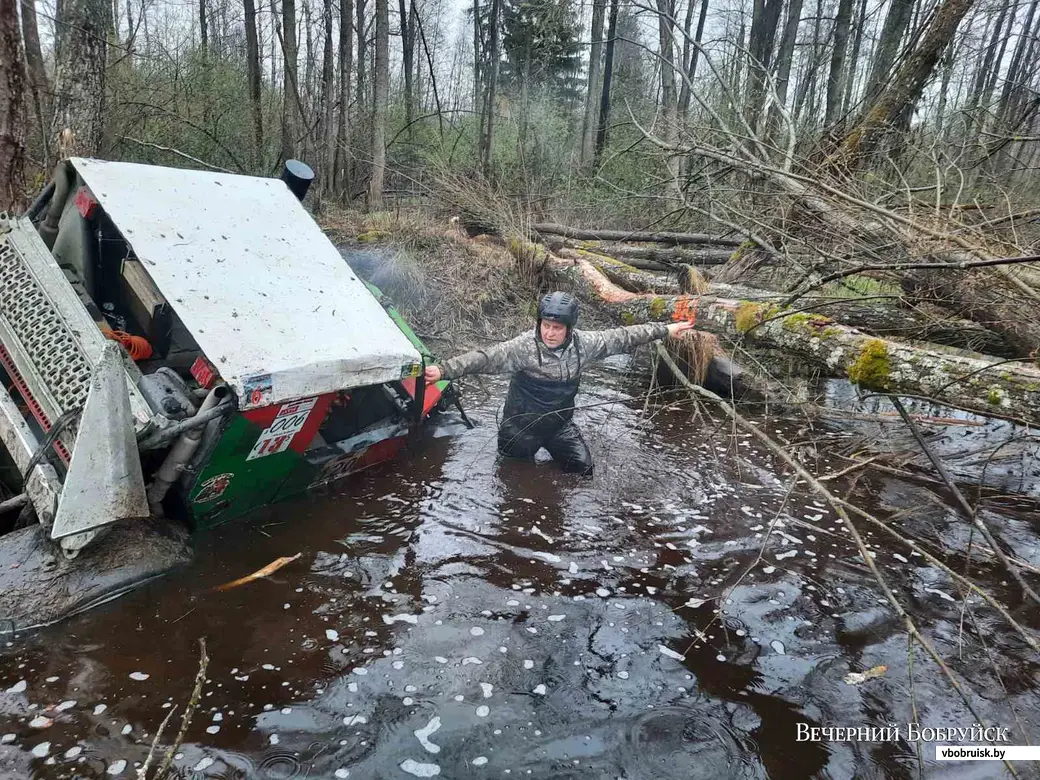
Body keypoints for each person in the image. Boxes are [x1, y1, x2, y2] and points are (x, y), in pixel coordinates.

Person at [424, 291, 697, 476]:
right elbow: (484, 358)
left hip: (559, 426)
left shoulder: (585, 345)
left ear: (569, 328)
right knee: (514, 480)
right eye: (545, 325)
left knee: (583, 470)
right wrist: (444, 370)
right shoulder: (523, 347)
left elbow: (624, 336)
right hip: (520, 429)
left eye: (557, 328)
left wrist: (667, 329)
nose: (550, 333)